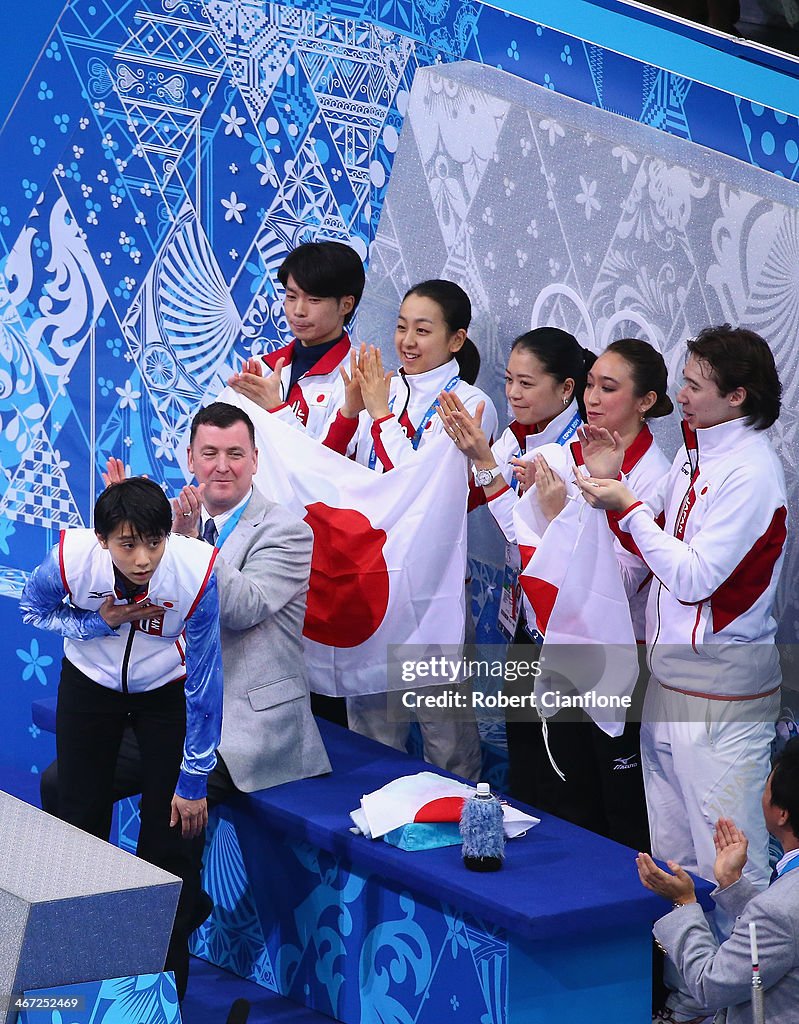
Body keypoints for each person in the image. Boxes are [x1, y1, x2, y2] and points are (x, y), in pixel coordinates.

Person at [39, 404, 331, 976]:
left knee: (172, 812)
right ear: (190, 459)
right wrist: (126, 538)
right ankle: (121, 925)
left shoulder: (287, 530)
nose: (222, 467)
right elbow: (109, 600)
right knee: (62, 784)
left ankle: (164, 949)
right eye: (209, 454)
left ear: (255, 461)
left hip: (246, 723)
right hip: (172, 703)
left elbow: (243, 609)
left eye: (235, 454)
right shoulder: (164, 524)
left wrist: (190, 550)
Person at [576, 325, 787, 1022]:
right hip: (668, 684)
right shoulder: (696, 454)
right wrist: (611, 486)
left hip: (722, 698)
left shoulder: (751, 472)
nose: (681, 395)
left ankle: (757, 1010)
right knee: (673, 857)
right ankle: (683, 1003)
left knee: (730, 864)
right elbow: (648, 542)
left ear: (737, 395)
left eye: (694, 384)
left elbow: (693, 577)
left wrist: (627, 507)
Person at [21, 478, 223, 998]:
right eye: (127, 544)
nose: (142, 559)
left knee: (173, 838)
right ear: (103, 538)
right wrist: (97, 622)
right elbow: (34, 609)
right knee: (79, 827)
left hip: (164, 694)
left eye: (154, 541)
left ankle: (164, 992)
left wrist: (195, 776)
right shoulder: (71, 558)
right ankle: (77, 983)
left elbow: (205, 675)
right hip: (89, 688)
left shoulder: (196, 569)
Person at [324, 280, 499, 779]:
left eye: (423, 330)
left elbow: (419, 489)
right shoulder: (383, 384)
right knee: (372, 725)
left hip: (430, 587)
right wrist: (353, 409)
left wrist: (379, 412)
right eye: (401, 326)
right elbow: (336, 470)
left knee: (445, 734)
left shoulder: (470, 403)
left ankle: (451, 832)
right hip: (370, 579)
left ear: (457, 340)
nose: (407, 341)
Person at [513, 338, 674, 849]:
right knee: (561, 785)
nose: (593, 398)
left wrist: (560, 516)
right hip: (559, 640)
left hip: (617, 653)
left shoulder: (657, 474)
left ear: (646, 401)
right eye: (589, 385)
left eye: (609, 388)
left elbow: (626, 576)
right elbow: (523, 545)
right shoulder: (564, 453)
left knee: (617, 800)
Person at [437, 326, 594, 802]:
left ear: (567, 389)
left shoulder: (578, 453)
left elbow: (527, 537)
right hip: (524, 623)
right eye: (508, 380)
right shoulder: (516, 436)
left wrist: (483, 461)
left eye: (527, 384)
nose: (512, 393)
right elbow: (465, 499)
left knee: (569, 773)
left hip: (571, 636)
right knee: (526, 764)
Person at [637, 736, 799, 1024]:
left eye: (765, 786)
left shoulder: (777, 911)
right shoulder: (780, 907)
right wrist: (733, 884)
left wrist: (684, 904)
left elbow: (710, 986)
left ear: (782, 813)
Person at [226, 240, 365, 442]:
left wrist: (276, 409)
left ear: (345, 305)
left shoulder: (357, 381)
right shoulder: (262, 368)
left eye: (314, 300)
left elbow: (331, 465)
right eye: (291, 296)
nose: (298, 311)